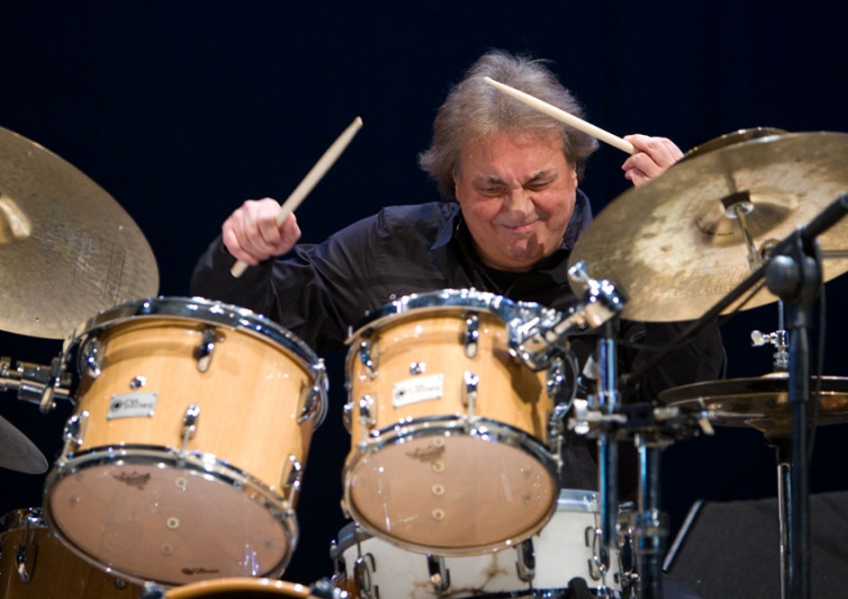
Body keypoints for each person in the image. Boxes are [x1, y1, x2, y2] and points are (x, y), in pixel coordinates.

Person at [191, 50, 724, 597]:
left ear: (574, 171)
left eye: (539, 182)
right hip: (416, 565)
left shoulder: (631, 258)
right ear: (455, 182)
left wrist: (682, 232)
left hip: (587, 570)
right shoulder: (389, 246)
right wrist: (245, 250)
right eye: (491, 188)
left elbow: (687, 389)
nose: (519, 208)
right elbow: (242, 326)